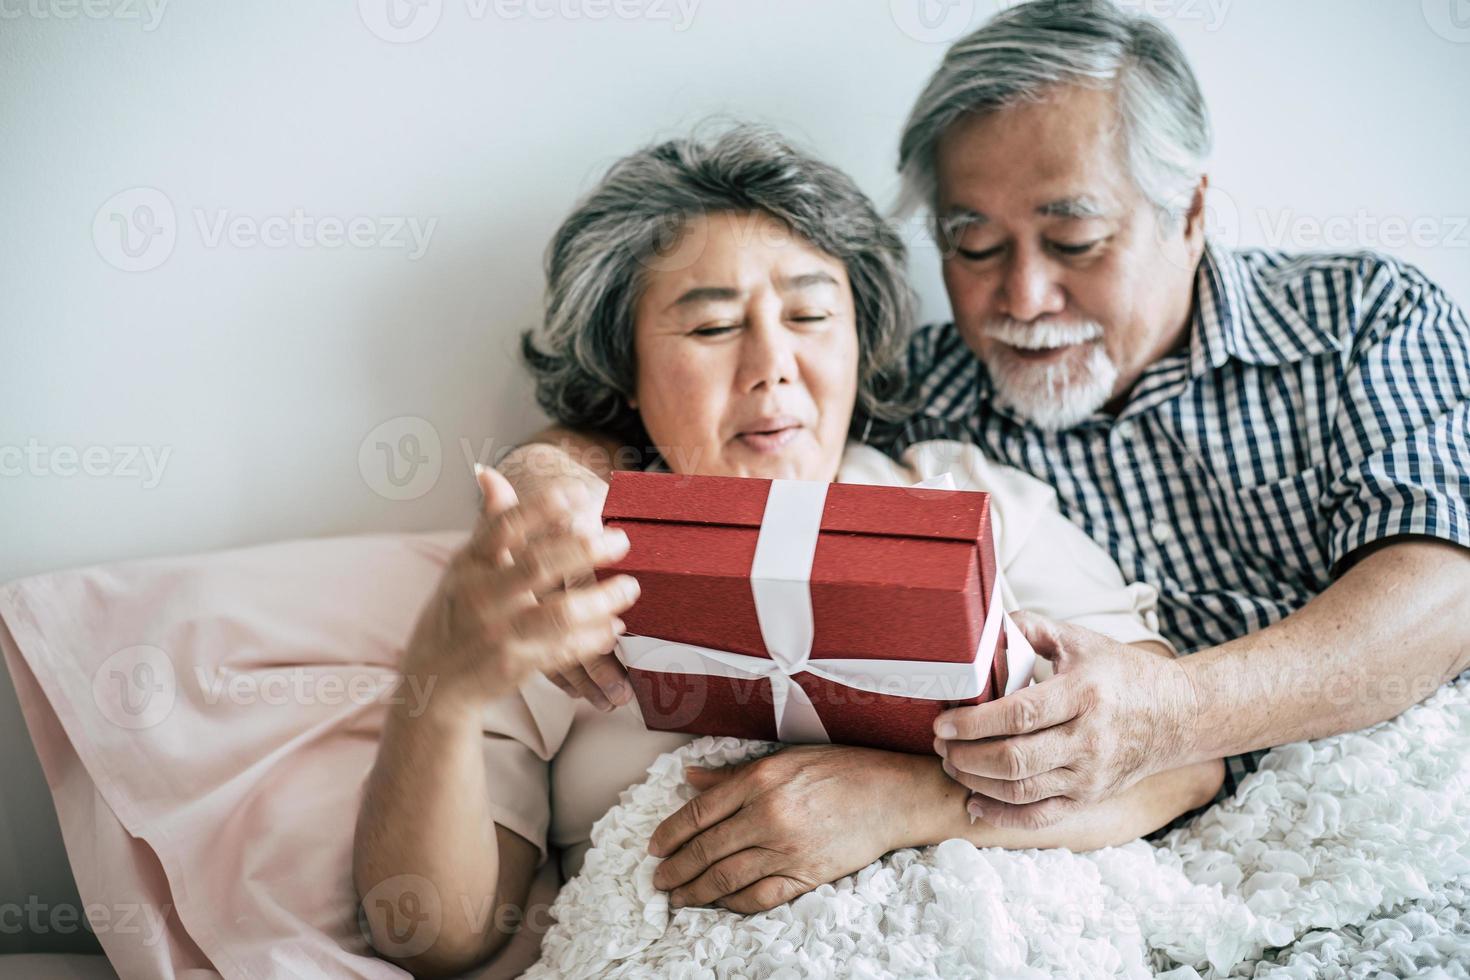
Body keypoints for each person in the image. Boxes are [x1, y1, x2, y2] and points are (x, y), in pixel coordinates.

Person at [504, 1, 1470, 839]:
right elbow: (700, 432)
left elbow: (1443, 593)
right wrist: (546, 477)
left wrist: (1172, 714)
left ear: (1190, 213)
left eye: (1074, 239)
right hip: (1096, 851)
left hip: (1381, 791)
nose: (1025, 294)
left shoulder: (1360, 319)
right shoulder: (930, 387)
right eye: (972, 246)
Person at [354, 124, 1223, 977]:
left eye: (810, 314)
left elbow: (1182, 765)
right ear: (626, 369)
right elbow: (437, 938)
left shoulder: (974, 500)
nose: (773, 367)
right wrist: (443, 684)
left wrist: (903, 802)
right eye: (709, 329)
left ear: (859, 341)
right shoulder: (565, 565)